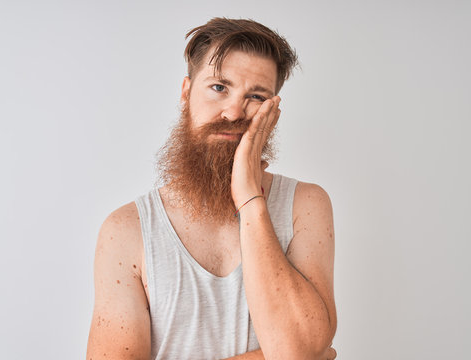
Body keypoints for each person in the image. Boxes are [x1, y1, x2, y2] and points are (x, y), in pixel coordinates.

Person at [86, 17, 337, 360]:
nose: (234, 111)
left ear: (272, 109)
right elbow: (299, 355)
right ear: (186, 92)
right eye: (219, 87)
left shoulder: (304, 205)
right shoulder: (126, 230)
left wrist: (250, 198)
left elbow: (299, 345)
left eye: (255, 95)